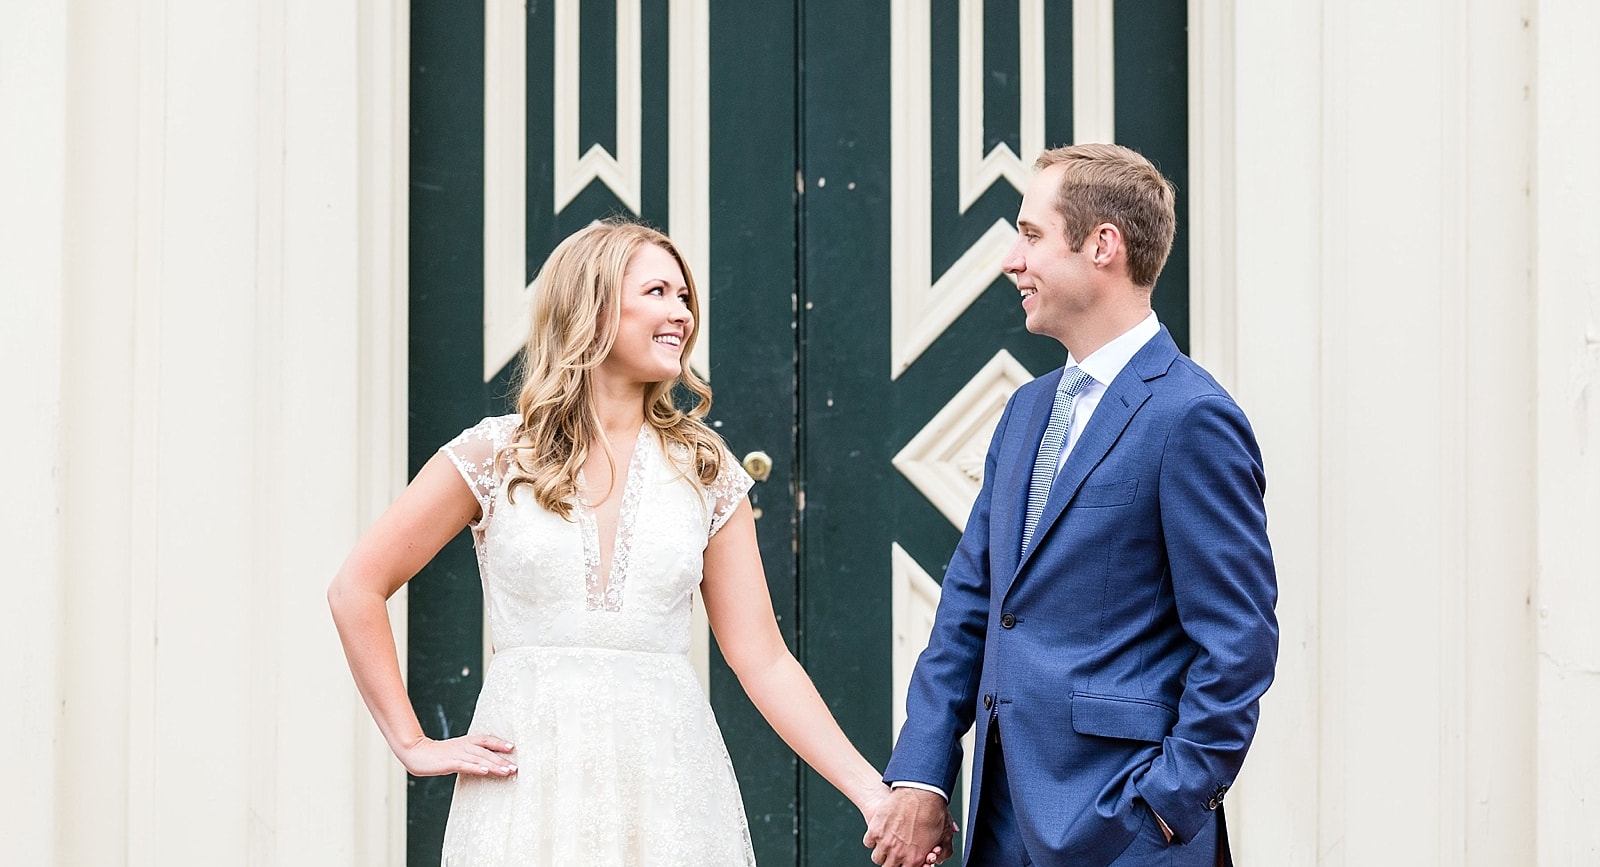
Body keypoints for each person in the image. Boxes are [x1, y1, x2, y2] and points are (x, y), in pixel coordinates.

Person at [330, 219, 937, 865]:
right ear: (592, 306)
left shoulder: (705, 468)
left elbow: (763, 658)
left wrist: (874, 796)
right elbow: (356, 587)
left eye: (684, 297)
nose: (680, 312)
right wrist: (413, 742)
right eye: (658, 292)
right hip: (527, 781)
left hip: (667, 783)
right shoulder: (497, 453)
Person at [866, 145, 1279, 867]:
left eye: (1030, 234)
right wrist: (925, 771)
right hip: (1000, 828)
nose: (1010, 260)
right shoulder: (1026, 412)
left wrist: (1164, 809)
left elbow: (1238, 644)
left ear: (1103, 245)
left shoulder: (1191, 417)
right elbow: (972, 602)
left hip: (1128, 832)